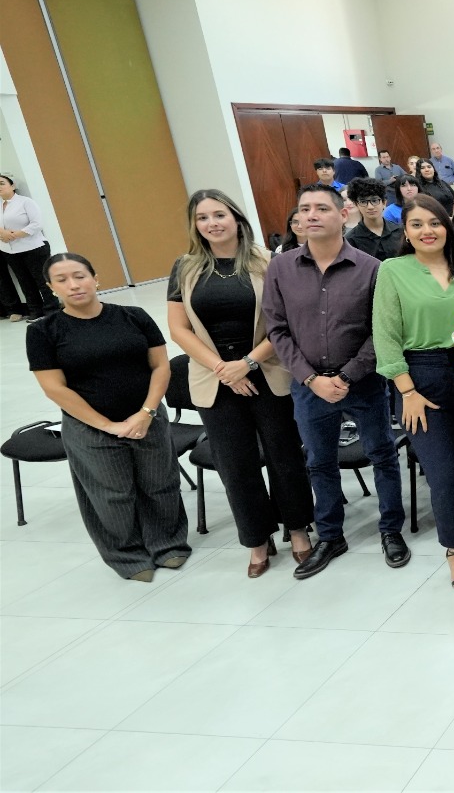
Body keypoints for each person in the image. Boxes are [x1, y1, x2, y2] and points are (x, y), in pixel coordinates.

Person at [264, 184, 410, 577]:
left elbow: (382, 330)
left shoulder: (371, 268)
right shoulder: (281, 268)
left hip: (362, 383)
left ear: (343, 215)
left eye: (321, 208)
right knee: (320, 462)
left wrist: (347, 374)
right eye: (305, 209)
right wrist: (311, 379)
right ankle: (330, 535)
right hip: (309, 386)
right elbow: (277, 329)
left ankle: (391, 529)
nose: (311, 215)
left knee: (382, 455)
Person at [167, 190, 313, 577]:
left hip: (267, 370)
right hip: (215, 378)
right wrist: (224, 369)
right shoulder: (184, 267)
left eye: (219, 214)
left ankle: (298, 529)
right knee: (235, 464)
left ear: (236, 218)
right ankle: (256, 539)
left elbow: (285, 323)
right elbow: (179, 329)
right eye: (202, 218)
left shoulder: (269, 262)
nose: (212, 223)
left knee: (285, 457)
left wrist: (247, 363)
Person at [27, 253, 190, 581]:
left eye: (80, 276)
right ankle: (127, 555)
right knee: (111, 494)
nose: (74, 285)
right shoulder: (44, 331)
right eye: (62, 280)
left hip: (147, 416)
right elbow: (54, 388)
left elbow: (160, 366)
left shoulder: (133, 316)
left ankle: (168, 544)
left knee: (160, 484)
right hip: (90, 427)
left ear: (95, 278)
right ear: (51, 288)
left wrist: (146, 413)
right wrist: (107, 425)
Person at [375, 194, 454, 592]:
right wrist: (406, 390)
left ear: (447, 227)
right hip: (420, 379)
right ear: (406, 232)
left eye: (434, 223)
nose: (426, 231)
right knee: (444, 473)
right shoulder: (392, 270)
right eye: (417, 224)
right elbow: (385, 335)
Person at [0, 174, 58, 322]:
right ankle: (35, 311)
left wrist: (14, 235)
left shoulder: (25, 202)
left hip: (34, 248)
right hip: (10, 251)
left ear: (12, 186)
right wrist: (3, 234)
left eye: (2, 183)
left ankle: (52, 311)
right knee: (25, 282)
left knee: (42, 281)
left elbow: (37, 224)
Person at [347, 177, 404, 260]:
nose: (370, 207)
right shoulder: (351, 239)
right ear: (356, 204)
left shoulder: (400, 231)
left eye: (374, 201)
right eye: (363, 202)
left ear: (384, 202)